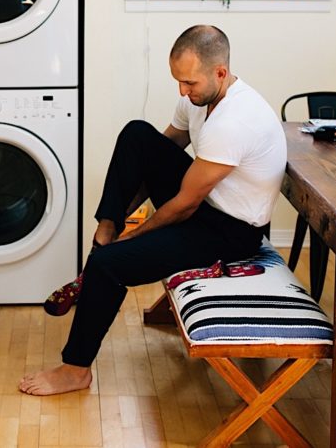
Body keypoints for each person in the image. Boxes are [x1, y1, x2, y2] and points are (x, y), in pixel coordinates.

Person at [19, 25, 287, 396]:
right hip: (204, 205)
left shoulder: (235, 121)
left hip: (230, 232)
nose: (182, 91)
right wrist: (112, 223)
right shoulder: (197, 98)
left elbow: (183, 205)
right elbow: (151, 157)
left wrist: (132, 239)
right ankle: (103, 238)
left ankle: (75, 369)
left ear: (220, 73)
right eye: (178, 80)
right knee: (136, 135)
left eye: (189, 83)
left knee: (109, 267)